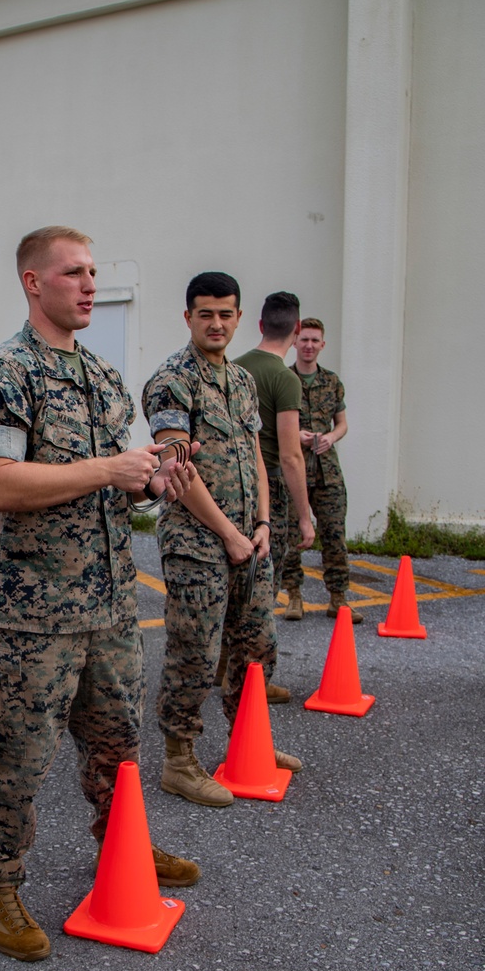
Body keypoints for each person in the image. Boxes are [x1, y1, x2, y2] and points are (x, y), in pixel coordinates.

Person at [0, 225, 200, 962]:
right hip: (34, 616)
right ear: (34, 283)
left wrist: (152, 480)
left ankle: (121, 849)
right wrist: (107, 470)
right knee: (18, 758)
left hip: (108, 605)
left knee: (119, 745)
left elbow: (113, 489)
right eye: (74, 273)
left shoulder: (100, 377)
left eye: (94, 271)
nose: (90, 284)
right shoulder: (3, 373)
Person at [142, 272, 302, 809]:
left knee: (256, 646)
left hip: (247, 537)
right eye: (205, 313)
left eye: (226, 313)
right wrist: (230, 534)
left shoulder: (241, 380)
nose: (216, 323)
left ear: (239, 318)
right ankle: (179, 760)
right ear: (188, 317)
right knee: (196, 650)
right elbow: (177, 466)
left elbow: (254, 453)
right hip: (197, 542)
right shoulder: (172, 380)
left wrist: (259, 524)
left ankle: (248, 742)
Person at [234, 292, 315, 697]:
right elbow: (290, 455)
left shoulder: (235, 367)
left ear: (260, 325)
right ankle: (254, 682)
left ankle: (222, 668)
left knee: (234, 584)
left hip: (234, 487)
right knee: (262, 590)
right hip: (270, 496)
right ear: (296, 330)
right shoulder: (285, 378)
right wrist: (304, 515)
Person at [282, 317, 361, 622]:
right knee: (292, 536)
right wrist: (296, 436)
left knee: (334, 535)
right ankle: (294, 596)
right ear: (295, 342)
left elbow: (342, 424)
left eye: (315, 341)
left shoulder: (331, 381)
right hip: (295, 469)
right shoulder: (284, 379)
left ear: (322, 345)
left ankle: (338, 598)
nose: (309, 346)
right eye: (304, 340)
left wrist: (331, 436)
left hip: (327, 471)